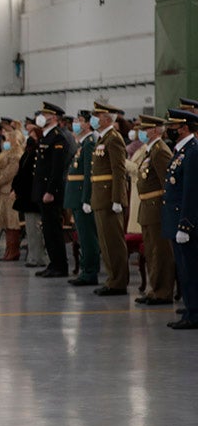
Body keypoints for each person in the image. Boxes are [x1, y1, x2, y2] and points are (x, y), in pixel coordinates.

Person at [129, 115, 175, 306]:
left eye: (146, 129)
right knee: (150, 250)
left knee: (160, 251)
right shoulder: (150, 151)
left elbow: (168, 182)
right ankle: (153, 288)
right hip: (147, 207)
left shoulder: (160, 151)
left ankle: (163, 291)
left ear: (156, 131)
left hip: (157, 207)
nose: (142, 132)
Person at [163, 105, 198, 329]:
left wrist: (185, 225)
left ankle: (194, 314)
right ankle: (190, 307)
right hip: (175, 219)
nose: (169, 130)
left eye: (172, 126)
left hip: (185, 222)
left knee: (190, 270)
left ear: (184, 128)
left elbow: (191, 191)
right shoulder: (181, 151)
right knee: (184, 270)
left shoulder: (193, 151)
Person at [89, 102, 129, 295]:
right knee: (105, 242)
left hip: (109, 197)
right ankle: (112, 278)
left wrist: (117, 199)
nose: (94, 118)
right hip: (99, 196)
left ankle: (119, 281)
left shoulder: (114, 138)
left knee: (114, 241)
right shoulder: (103, 138)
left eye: (97, 115)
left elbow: (118, 170)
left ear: (106, 119)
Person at [31, 103, 73, 278]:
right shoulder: (46, 137)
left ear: (54, 117)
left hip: (51, 192)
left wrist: (50, 191)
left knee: (54, 229)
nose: (41, 116)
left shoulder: (58, 138)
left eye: (45, 114)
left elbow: (56, 169)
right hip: (42, 190)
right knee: (47, 230)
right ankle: (53, 263)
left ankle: (60, 265)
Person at [64, 111, 100, 286]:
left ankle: (90, 272)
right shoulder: (82, 144)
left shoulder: (89, 144)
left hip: (82, 197)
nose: (75, 124)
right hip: (76, 196)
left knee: (88, 237)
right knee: (83, 235)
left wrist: (87, 198)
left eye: (79, 121)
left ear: (87, 124)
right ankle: (86, 270)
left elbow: (89, 174)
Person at [0, 126, 23, 261]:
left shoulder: (16, 156)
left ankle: (14, 250)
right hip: (3, 192)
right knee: (6, 224)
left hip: (10, 192)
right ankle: (8, 249)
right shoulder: (5, 154)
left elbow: (9, 174)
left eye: (9, 138)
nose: (6, 141)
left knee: (12, 223)